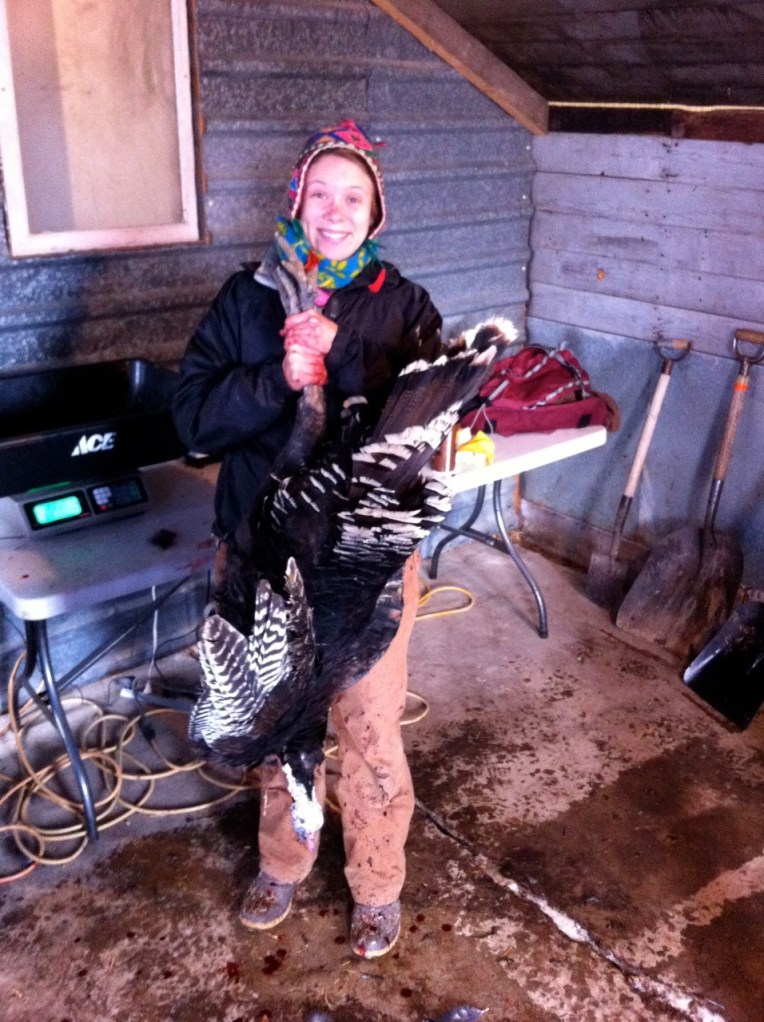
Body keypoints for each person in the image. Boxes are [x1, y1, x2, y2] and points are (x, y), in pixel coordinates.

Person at [173, 120, 443, 958]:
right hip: (263, 550)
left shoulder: (403, 306)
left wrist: (346, 355)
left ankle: (376, 881)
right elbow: (191, 422)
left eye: (353, 197)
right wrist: (277, 379)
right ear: (296, 200)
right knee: (275, 716)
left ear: (376, 212)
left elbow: (433, 422)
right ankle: (284, 861)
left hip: (364, 557)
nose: (335, 211)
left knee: (368, 723)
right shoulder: (246, 298)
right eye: (319, 193)